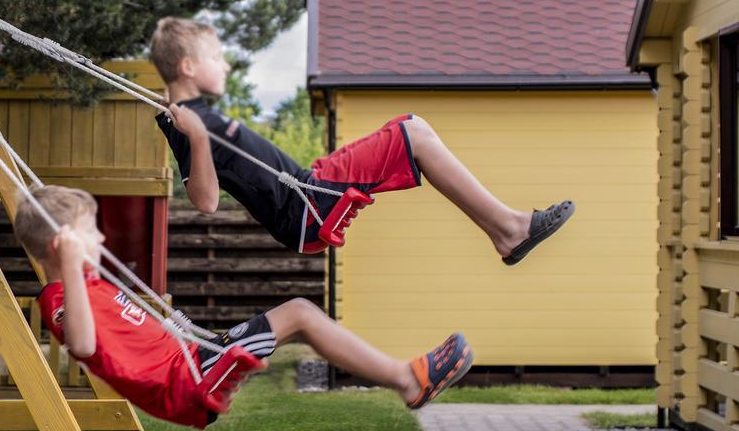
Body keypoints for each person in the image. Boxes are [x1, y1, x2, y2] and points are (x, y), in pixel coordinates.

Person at [13, 184, 474, 428]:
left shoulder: (85, 282)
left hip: (195, 361)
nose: (100, 239)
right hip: (187, 380)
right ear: (62, 246)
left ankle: (404, 379)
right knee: (298, 313)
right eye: (90, 232)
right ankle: (405, 380)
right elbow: (84, 344)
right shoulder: (61, 297)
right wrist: (71, 267)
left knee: (300, 311)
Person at [149, 17, 574, 260]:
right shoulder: (190, 124)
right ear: (188, 66)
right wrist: (199, 139)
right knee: (415, 133)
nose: (225, 65)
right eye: (216, 58)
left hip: (308, 183)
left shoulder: (192, 118)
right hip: (305, 206)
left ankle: (504, 230)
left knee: (406, 123)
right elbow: (205, 203)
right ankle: (509, 228)